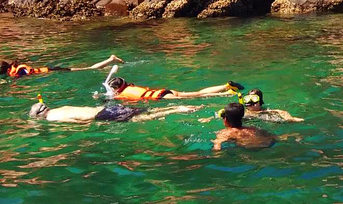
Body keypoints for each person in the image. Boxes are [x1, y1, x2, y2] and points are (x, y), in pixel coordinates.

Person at [28, 98, 201, 123]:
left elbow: (78, 123)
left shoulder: (52, 118)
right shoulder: (61, 107)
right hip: (108, 108)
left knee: (142, 119)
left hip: (103, 115)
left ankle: (178, 110)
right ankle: (177, 107)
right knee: (147, 110)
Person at [108, 77, 243, 101]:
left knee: (201, 96)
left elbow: (112, 100)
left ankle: (227, 93)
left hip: (162, 97)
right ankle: (226, 86)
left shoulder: (122, 95)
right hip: (166, 91)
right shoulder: (131, 86)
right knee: (199, 93)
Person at [1, 55, 124, 79]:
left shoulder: (20, 70)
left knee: (90, 69)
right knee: (89, 68)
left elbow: (23, 76)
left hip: (54, 71)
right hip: (51, 70)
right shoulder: (15, 69)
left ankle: (111, 59)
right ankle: (107, 66)